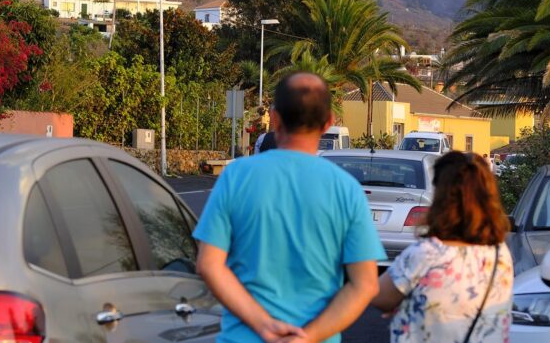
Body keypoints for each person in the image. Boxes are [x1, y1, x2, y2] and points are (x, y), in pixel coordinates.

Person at [194, 72, 385, 343]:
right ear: (329, 122)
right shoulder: (347, 189)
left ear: (274, 119)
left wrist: (263, 326)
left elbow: (209, 265)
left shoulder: (236, 176)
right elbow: (365, 284)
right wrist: (307, 337)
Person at [370, 151, 513, 343]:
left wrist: (408, 307)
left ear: (441, 196)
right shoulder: (500, 254)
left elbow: (380, 297)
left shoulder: (426, 255)